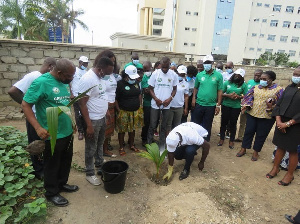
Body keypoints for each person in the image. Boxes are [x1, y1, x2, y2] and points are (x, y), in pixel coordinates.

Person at [22, 59, 77, 207]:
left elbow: (64, 104)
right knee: (52, 163)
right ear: (59, 73)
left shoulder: (64, 82)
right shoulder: (41, 82)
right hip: (51, 132)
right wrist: (38, 128)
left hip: (66, 131)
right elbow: (25, 104)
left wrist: (72, 123)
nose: (71, 79)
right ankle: (51, 192)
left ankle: (61, 184)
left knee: (65, 160)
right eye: (69, 76)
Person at [8, 57, 56, 180]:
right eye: (54, 69)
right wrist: (25, 105)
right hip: (34, 117)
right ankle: (38, 171)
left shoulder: (43, 78)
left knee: (43, 143)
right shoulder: (34, 76)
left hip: (42, 117)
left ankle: (44, 168)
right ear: (50, 66)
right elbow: (13, 91)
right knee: (35, 144)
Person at [78, 57, 113, 186]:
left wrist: (107, 112)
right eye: (107, 73)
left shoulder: (100, 77)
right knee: (90, 147)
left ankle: (99, 164)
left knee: (100, 143)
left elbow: (101, 95)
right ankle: (90, 172)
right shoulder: (88, 79)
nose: (108, 76)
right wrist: (88, 126)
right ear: (100, 69)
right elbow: (82, 104)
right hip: (92, 120)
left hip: (101, 117)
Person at [236, 71, 284, 161]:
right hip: (253, 114)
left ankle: (256, 152)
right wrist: (246, 106)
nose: (262, 80)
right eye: (261, 79)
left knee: (261, 135)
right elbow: (248, 97)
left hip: (267, 117)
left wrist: (272, 106)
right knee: (248, 132)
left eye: (264, 79)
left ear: (271, 79)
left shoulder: (278, 89)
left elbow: (281, 103)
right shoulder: (256, 87)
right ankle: (243, 149)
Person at [266, 67, 300, 186]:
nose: (295, 76)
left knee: (292, 150)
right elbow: (279, 105)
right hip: (281, 123)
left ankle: (290, 175)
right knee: (280, 146)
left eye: (298, 74)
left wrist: (288, 123)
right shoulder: (289, 88)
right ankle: (276, 168)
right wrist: (279, 121)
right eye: (294, 74)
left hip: (295, 125)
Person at [147, 57, 178, 152]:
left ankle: (161, 148)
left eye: (166, 67)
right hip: (155, 104)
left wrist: (170, 99)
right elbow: (150, 88)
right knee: (152, 125)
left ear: (169, 65)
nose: (164, 69)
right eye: (163, 67)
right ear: (160, 65)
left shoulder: (173, 75)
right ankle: (149, 146)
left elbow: (175, 89)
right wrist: (156, 99)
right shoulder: (155, 74)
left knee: (163, 127)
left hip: (166, 105)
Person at [191, 55, 223, 142]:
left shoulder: (218, 76)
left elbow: (220, 91)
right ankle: (195, 141)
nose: (207, 65)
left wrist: (218, 105)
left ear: (212, 63)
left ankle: (204, 142)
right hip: (199, 103)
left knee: (207, 124)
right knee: (196, 124)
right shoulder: (199, 75)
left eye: (209, 62)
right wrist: (194, 98)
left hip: (211, 105)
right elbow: (196, 88)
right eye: (205, 63)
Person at [94, 50, 118, 157]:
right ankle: (103, 150)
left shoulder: (112, 75)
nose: (112, 64)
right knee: (105, 129)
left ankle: (106, 146)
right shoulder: (101, 76)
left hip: (112, 104)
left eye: (113, 62)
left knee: (109, 129)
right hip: (105, 104)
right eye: (110, 62)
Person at [115, 65, 143, 155]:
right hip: (123, 111)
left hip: (135, 111)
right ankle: (121, 147)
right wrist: (119, 110)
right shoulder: (119, 84)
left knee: (132, 129)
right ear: (126, 76)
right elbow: (115, 98)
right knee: (122, 130)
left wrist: (140, 105)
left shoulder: (136, 83)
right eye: (131, 77)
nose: (134, 79)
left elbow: (139, 94)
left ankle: (131, 144)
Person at [217, 69, 247, 149]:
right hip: (226, 105)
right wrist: (228, 95)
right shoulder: (227, 83)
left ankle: (231, 140)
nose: (237, 77)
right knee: (224, 122)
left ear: (242, 77)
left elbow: (246, 95)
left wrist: (239, 96)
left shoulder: (243, 85)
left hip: (236, 107)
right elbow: (221, 93)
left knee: (233, 124)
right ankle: (222, 139)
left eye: (239, 76)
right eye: (236, 75)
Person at [235, 69, 263, 142]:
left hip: (255, 107)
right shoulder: (250, 82)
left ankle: (248, 138)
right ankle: (240, 137)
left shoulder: (262, 84)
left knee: (251, 125)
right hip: (246, 106)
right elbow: (246, 94)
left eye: (258, 75)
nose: (256, 77)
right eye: (255, 75)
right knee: (242, 122)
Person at [70, 56, 89, 141]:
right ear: (80, 63)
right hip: (76, 95)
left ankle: (85, 130)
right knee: (78, 114)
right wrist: (71, 94)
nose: (85, 65)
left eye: (86, 64)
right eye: (84, 64)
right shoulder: (74, 71)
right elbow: (69, 83)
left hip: (84, 96)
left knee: (84, 113)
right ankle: (80, 131)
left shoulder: (86, 72)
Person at [167, 65, 189, 131]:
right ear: (177, 73)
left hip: (179, 108)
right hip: (169, 107)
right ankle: (167, 140)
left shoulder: (186, 84)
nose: (181, 76)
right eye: (180, 74)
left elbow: (186, 96)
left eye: (183, 74)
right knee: (168, 125)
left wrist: (186, 108)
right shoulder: (171, 81)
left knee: (177, 125)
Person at [141, 61, 153, 146]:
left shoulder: (155, 76)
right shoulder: (144, 77)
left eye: (147, 69)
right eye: (144, 70)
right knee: (146, 122)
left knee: (154, 123)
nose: (146, 71)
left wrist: (151, 89)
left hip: (155, 103)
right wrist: (152, 89)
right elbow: (146, 91)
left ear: (151, 68)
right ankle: (144, 139)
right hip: (147, 103)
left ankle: (150, 138)